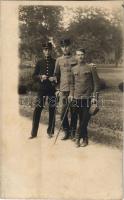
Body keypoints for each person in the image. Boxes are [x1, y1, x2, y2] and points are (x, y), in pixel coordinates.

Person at [70, 48, 100, 147]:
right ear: (76, 56)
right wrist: (71, 94)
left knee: (85, 119)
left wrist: (95, 97)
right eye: (78, 55)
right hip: (77, 98)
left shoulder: (91, 68)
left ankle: (78, 136)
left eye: (82, 54)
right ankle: (85, 140)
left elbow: (97, 84)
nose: (80, 56)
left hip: (88, 98)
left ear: (84, 55)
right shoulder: (73, 69)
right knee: (82, 119)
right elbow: (72, 84)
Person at [29, 42, 56, 139]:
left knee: (52, 109)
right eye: (45, 49)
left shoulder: (55, 62)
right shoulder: (39, 62)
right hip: (42, 90)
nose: (47, 51)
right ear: (43, 51)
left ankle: (50, 132)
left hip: (52, 90)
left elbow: (59, 76)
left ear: (51, 50)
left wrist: (55, 78)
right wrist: (40, 76)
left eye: (48, 49)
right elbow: (33, 76)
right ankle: (33, 133)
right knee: (37, 109)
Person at [54, 38, 77, 140]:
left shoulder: (75, 59)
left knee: (73, 112)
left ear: (70, 46)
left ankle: (72, 132)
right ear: (61, 48)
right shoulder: (59, 60)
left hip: (74, 90)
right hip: (63, 90)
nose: (65, 48)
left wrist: (91, 66)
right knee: (62, 112)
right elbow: (56, 76)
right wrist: (57, 89)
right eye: (62, 46)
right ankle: (66, 131)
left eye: (66, 46)